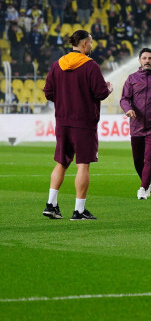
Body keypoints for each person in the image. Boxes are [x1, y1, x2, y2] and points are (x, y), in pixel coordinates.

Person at [42, 30, 113, 220]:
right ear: (83, 44)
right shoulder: (90, 66)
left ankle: (51, 204)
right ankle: (79, 210)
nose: (91, 46)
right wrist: (109, 88)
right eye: (90, 42)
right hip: (84, 123)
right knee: (83, 165)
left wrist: (65, 98)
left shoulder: (57, 65)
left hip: (63, 122)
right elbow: (100, 93)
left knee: (61, 163)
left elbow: (48, 92)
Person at [120, 48, 151, 200]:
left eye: (150, 58)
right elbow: (124, 99)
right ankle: (148, 183)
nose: (147, 60)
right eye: (144, 58)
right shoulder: (132, 78)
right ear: (139, 61)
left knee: (149, 158)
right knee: (137, 160)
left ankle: (143, 188)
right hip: (136, 125)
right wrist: (128, 110)